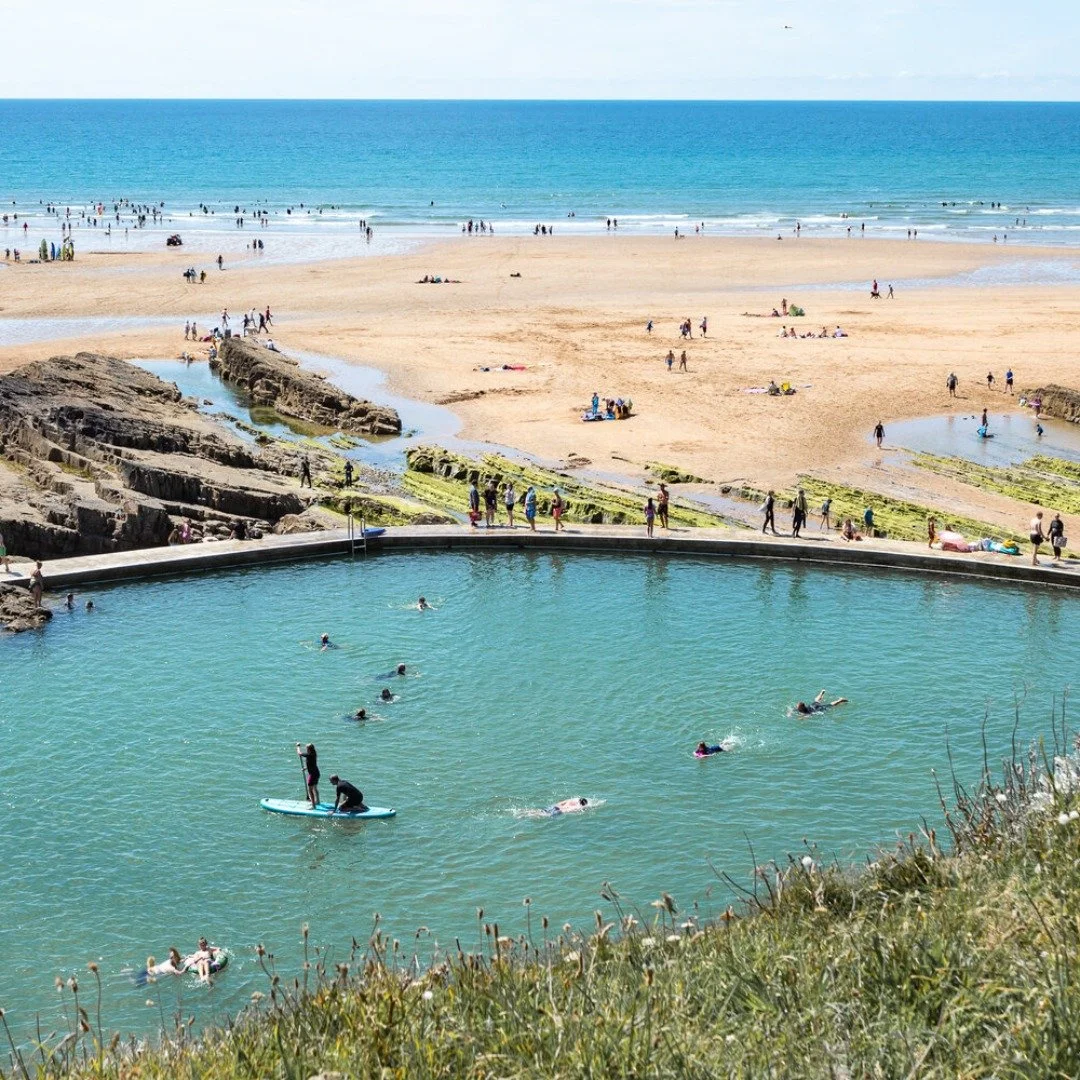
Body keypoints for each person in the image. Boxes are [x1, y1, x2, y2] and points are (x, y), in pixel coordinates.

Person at [296, 743, 320, 808]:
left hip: (312, 775)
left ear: (309, 749)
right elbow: (312, 764)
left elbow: (299, 753)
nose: (306, 749)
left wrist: (298, 746)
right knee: (315, 788)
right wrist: (306, 768)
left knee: (310, 790)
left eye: (306, 748)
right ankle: (317, 801)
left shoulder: (309, 755)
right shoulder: (313, 754)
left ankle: (313, 806)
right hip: (316, 773)